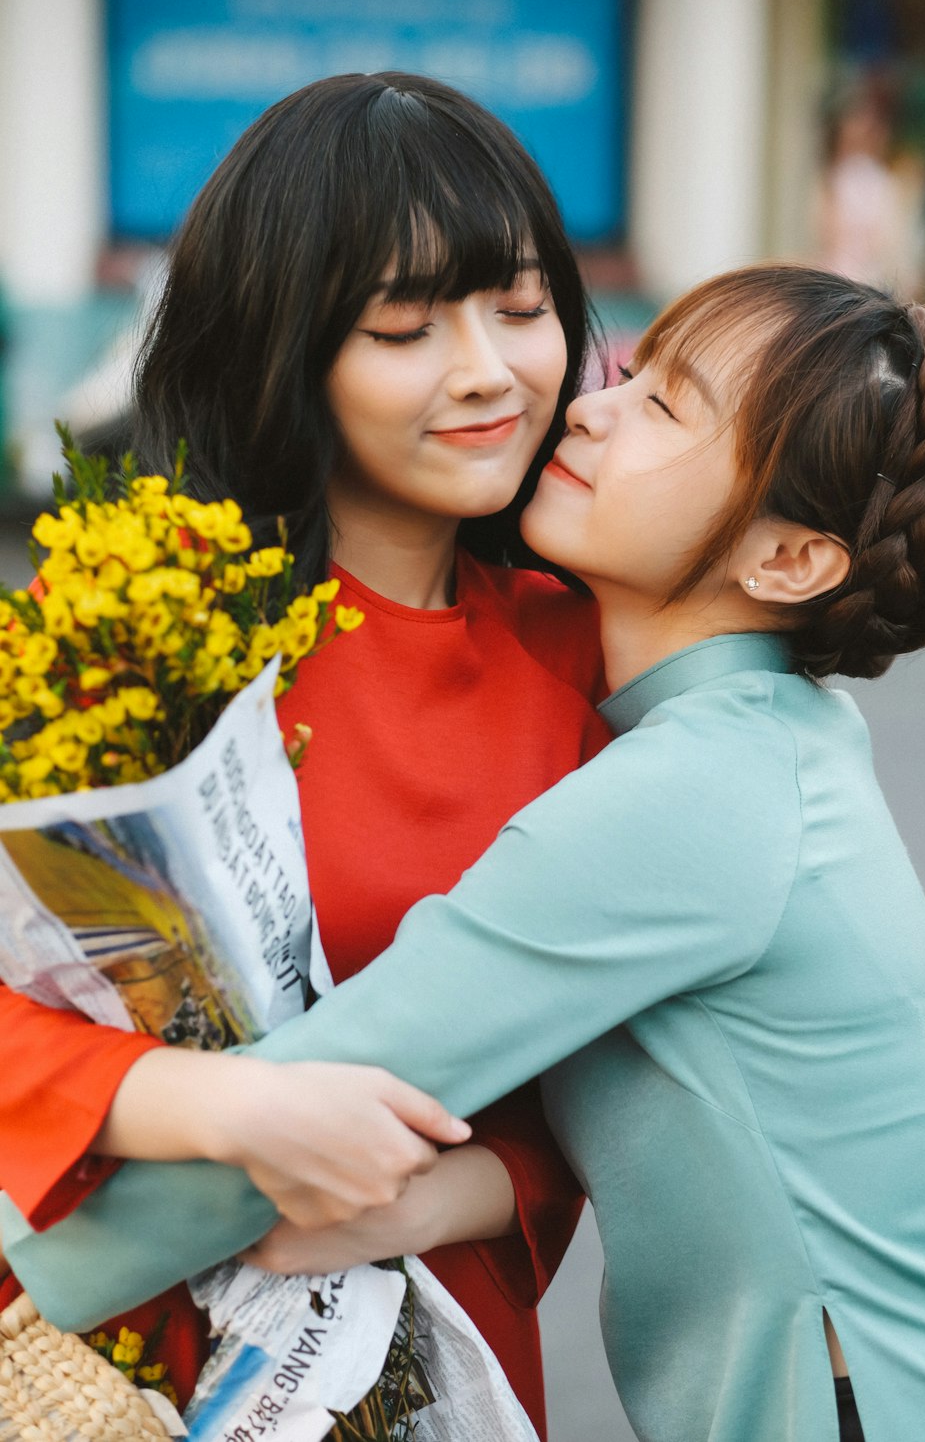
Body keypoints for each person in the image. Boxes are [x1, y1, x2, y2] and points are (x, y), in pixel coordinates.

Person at [9, 264, 925, 1442]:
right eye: (630, 378)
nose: (589, 407)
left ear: (789, 564)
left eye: (667, 410)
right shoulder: (763, 744)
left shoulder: (695, 791)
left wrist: (34, 1293)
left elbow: (363, 1065)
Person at [0, 72, 611, 1431]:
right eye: (405, 323)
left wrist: (452, 1193)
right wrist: (219, 1109)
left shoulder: (587, 654)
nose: (487, 370)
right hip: (98, 1356)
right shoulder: (124, 624)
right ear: (281, 346)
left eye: (520, 309)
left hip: (432, 1359)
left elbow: (646, 1060)